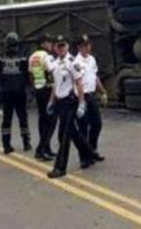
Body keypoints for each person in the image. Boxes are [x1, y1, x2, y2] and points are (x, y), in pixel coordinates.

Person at [47, 35, 96, 179]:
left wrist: (81, 103)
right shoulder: (55, 64)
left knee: (63, 135)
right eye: (59, 46)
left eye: (64, 45)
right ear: (55, 48)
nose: (61, 48)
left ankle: (60, 168)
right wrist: (51, 101)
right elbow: (56, 84)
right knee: (73, 132)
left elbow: (79, 83)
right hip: (60, 102)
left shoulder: (72, 63)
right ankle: (89, 152)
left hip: (70, 101)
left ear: (67, 47)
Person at [0, 32, 31, 154]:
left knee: (7, 119)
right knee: (23, 118)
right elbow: (27, 77)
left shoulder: (0, 60)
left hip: (6, 94)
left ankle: (6, 145)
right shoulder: (22, 60)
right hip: (20, 93)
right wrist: (29, 91)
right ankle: (26, 143)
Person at [74, 35, 106, 161]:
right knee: (83, 128)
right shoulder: (76, 63)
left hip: (91, 95)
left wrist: (102, 91)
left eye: (88, 45)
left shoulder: (91, 59)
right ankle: (84, 157)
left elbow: (95, 76)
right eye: (84, 46)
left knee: (97, 124)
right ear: (79, 47)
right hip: (81, 97)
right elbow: (78, 83)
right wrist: (81, 102)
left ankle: (92, 150)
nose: (87, 48)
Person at [30, 34, 57, 161]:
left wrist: (35, 86)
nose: (51, 45)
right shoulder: (47, 57)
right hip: (47, 90)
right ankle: (41, 149)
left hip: (38, 90)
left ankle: (47, 148)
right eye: (49, 42)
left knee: (43, 121)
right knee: (51, 121)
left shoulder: (32, 57)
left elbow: (30, 74)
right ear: (43, 44)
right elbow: (53, 72)